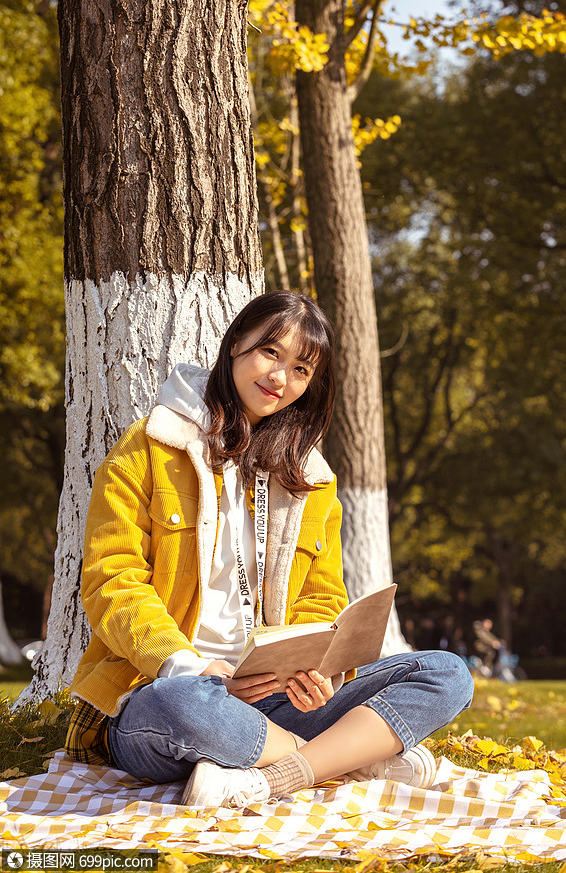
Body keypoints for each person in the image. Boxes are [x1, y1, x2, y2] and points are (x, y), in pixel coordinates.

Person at [65, 290, 473, 809]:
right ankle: (340, 760)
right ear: (236, 342)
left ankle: (269, 776)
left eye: (301, 369)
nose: (281, 378)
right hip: (168, 691)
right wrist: (184, 664)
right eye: (270, 353)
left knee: (445, 673)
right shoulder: (149, 447)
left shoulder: (311, 479)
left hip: (276, 700)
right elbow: (111, 583)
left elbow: (323, 603)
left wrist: (315, 671)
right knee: (184, 704)